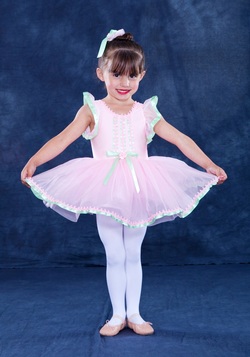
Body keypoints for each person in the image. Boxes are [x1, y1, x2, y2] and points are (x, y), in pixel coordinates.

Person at [21, 29, 227, 337]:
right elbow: (63, 139)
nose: (123, 83)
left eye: (132, 77)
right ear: (100, 73)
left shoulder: (146, 111)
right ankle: (117, 315)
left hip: (138, 187)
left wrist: (208, 164)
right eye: (116, 75)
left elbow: (180, 139)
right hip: (105, 189)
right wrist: (35, 160)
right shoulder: (93, 109)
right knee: (114, 254)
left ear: (142, 76)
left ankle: (135, 314)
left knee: (133, 252)